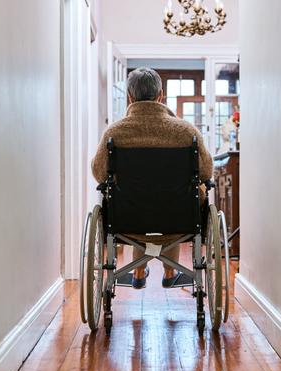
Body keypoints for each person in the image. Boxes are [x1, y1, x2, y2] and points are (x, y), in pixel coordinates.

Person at [91, 67, 213, 289]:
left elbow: (99, 173)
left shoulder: (114, 134)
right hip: (179, 217)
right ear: (161, 95)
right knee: (176, 199)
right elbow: (206, 172)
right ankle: (169, 271)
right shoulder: (187, 132)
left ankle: (138, 270)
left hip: (128, 217)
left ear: (130, 96)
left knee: (136, 200)